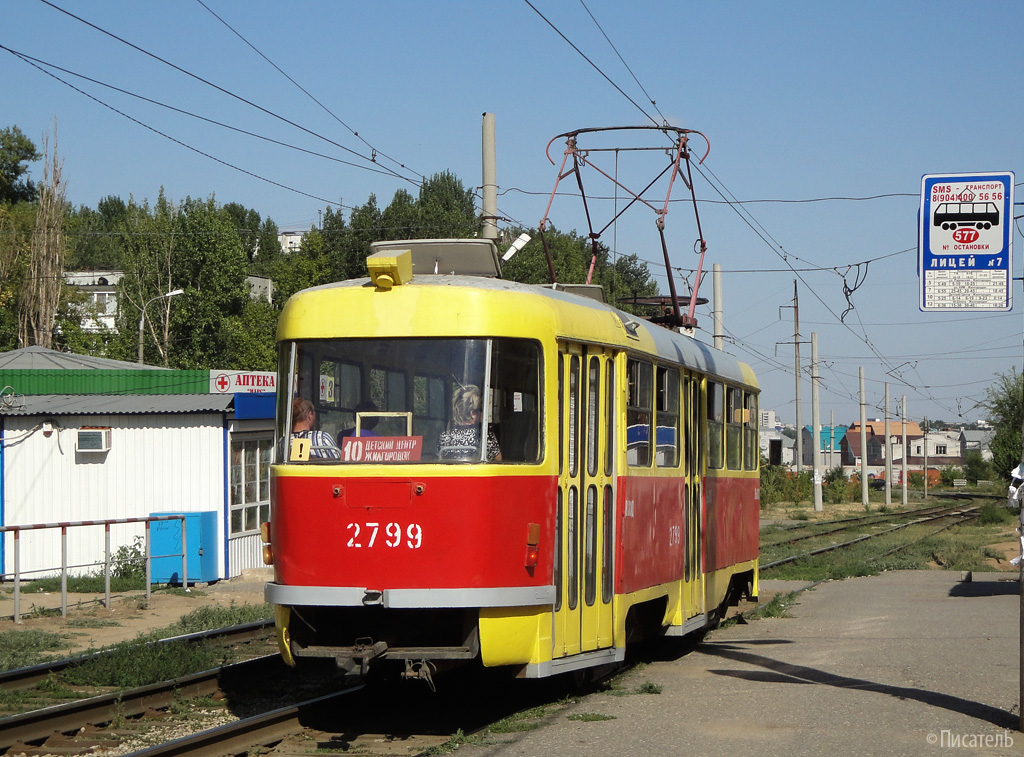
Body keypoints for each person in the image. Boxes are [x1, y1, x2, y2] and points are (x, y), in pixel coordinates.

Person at [437, 385, 501, 461]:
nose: (484, 413)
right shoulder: (485, 436)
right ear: (473, 413)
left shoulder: (444, 437)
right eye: (481, 409)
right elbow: (498, 460)